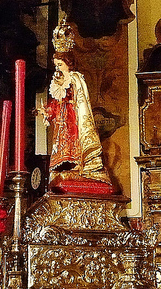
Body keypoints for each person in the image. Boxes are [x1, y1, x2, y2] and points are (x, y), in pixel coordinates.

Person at [36, 20, 112, 191]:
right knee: (62, 142)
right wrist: (47, 112)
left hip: (73, 117)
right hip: (62, 119)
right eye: (56, 65)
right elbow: (56, 102)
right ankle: (65, 165)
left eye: (60, 65)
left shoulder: (75, 78)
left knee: (74, 140)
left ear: (68, 63)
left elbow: (81, 99)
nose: (57, 68)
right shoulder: (58, 81)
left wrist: (71, 100)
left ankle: (79, 163)